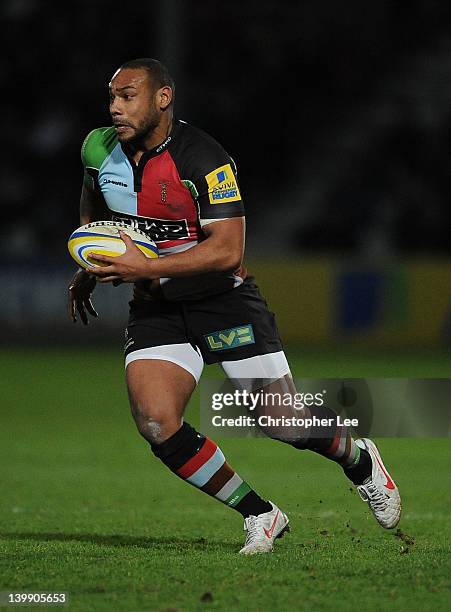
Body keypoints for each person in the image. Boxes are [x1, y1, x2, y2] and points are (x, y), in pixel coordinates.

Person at [68, 58, 401, 555]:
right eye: (112, 97)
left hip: (224, 302)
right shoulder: (99, 148)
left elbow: (228, 251)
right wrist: (92, 256)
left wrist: (141, 267)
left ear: (163, 98)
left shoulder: (204, 158)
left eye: (128, 96)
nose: (115, 107)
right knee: (157, 422)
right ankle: (260, 514)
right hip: (158, 308)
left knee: (282, 422)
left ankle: (358, 458)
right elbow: (94, 197)